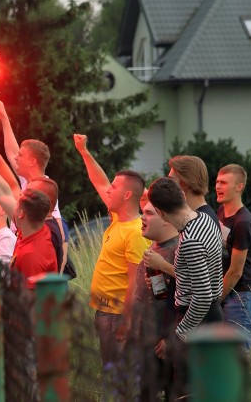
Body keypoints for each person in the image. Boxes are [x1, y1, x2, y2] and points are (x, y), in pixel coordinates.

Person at [73, 134, 151, 367]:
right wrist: (84, 152)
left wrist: (127, 322)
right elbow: (99, 181)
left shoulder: (136, 232)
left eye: (115, 188)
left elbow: (136, 283)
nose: (109, 191)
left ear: (128, 195)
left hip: (118, 316)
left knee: (119, 374)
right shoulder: (119, 219)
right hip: (106, 312)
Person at [147, 177, 223, 400]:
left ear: (160, 213)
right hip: (211, 314)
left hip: (199, 321)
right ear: (182, 195)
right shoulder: (205, 220)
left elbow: (201, 297)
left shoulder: (190, 240)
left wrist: (178, 336)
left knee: (189, 393)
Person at [0, 138, 57, 288]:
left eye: (19, 198)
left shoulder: (32, 255)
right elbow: (2, 193)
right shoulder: (31, 229)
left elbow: (27, 301)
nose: (13, 200)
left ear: (21, 214)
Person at [134, 201, 180, 400]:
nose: (142, 218)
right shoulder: (154, 248)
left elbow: (193, 299)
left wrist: (171, 338)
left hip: (165, 348)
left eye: (149, 213)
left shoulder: (179, 251)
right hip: (146, 344)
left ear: (166, 220)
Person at [216, 164, 251, 351]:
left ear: (239, 187)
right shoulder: (221, 212)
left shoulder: (242, 222)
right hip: (227, 290)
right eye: (217, 182)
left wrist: (215, 300)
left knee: (238, 355)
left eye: (224, 182)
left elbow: (236, 271)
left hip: (241, 294)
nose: (218, 187)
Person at [168, 155, 220, 229]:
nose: (168, 185)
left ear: (186, 182)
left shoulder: (200, 222)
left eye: (171, 180)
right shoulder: (200, 217)